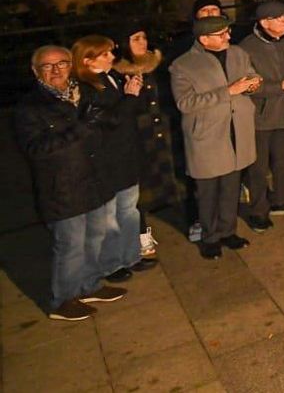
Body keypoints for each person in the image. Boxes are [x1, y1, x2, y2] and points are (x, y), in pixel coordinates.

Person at [16, 46, 123, 320]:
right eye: (47, 66)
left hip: (94, 178)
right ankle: (62, 300)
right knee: (70, 245)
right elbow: (36, 149)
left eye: (62, 63)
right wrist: (80, 129)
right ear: (35, 71)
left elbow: (111, 118)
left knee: (95, 236)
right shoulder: (30, 107)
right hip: (62, 187)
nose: (56, 70)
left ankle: (89, 285)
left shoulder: (84, 91)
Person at [171, 16, 259, 259]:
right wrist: (228, 91)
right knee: (208, 192)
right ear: (204, 39)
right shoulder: (183, 65)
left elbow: (251, 75)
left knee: (231, 188)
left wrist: (254, 83)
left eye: (228, 31)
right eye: (221, 34)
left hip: (237, 130)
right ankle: (210, 238)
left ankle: (228, 231)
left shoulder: (238, 53)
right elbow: (185, 103)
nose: (228, 37)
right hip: (208, 135)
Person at [71, 36, 155, 283]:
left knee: (129, 210)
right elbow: (108, 121)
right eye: (105, 54)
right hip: (106, 159)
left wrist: (135, 92)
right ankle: (110, 264)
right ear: (87, 60)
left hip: (127, 154)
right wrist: (129, 98)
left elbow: (134, 110)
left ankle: (131, 256)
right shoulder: (84, 88)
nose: (112, 57)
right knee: (109, 216)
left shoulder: (113, 77)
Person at [236, 1, 284, 232]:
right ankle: (258, 211)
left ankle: (282, 199)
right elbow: (247, 85)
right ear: (264, 22)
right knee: (258, 167)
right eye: (279, 18)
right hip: (260, 116)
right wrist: (280, 86)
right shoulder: (246, 48)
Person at [113, 23, 178, 259]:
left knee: (165, 179)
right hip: (137, 135)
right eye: (136, 39)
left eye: (144, 37)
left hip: (162, 130)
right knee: (137, 191)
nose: (143, 42)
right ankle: (140, 235)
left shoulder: (156, 65)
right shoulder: (119, 71)